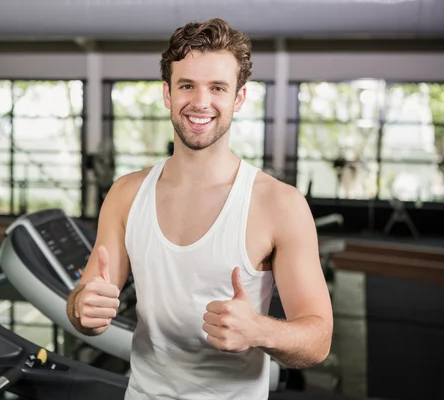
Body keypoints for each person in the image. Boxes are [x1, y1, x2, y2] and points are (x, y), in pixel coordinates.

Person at [67, 17, 333, 399]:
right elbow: (84, 305)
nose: (201, 102)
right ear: (167, 94)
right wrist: (83, 308)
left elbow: (318, 339)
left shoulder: (280, 204)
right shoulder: (126, 194)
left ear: (238, 98)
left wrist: (259, 329)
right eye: (187, 85)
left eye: (218, 88)